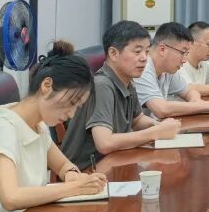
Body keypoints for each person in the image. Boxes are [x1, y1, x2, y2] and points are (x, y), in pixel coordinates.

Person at [0, 41, 108, 212]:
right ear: (47, 86)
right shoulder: (4, 130)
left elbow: (62, 165)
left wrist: (72, 175)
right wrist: (74, 188)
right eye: (71, 103)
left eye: (77, 107)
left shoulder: (37, 125)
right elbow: (11, 198)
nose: (71, 114)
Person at [60, 20, 182, 167]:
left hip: (114, 161)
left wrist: (160, 126)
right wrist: (156, 132)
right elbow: (105, 143)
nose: (144, 58)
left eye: (147, 51)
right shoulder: (102, 86)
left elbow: (137, 120)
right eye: (137, 52)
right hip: (86, 170)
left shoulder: (128, 81)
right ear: (113, 53)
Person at [134, 22, 209, 118]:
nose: (185, 60)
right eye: (183, 52)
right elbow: (161, 109)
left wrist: (196, 102)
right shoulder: (143, 68)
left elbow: (189, 91)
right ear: (162, 49)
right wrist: (207, 106)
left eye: (186, 53)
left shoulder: (167, 69)